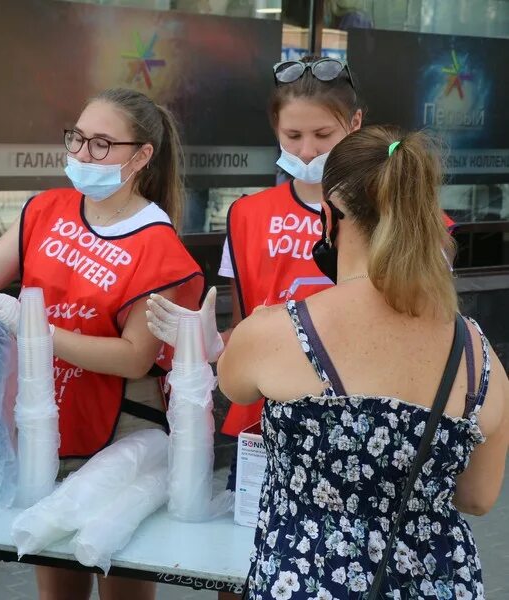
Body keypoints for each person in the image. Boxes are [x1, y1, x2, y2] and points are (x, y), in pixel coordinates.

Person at [0, 87, 205, 600]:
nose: (81, 155)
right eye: (77, 138)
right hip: (41, 419)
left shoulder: (158, 245)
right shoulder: (46, 208)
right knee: (56, 587)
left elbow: (134, 356)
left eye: (101, 144)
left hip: (118, 435)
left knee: (119, 582)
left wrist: (42, 333)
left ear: (142, 156)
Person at [218, 125, 509, 599]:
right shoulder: (478, 353)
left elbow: (233, 384)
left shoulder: (276, 332)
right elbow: (477, 497)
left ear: (328, 216)